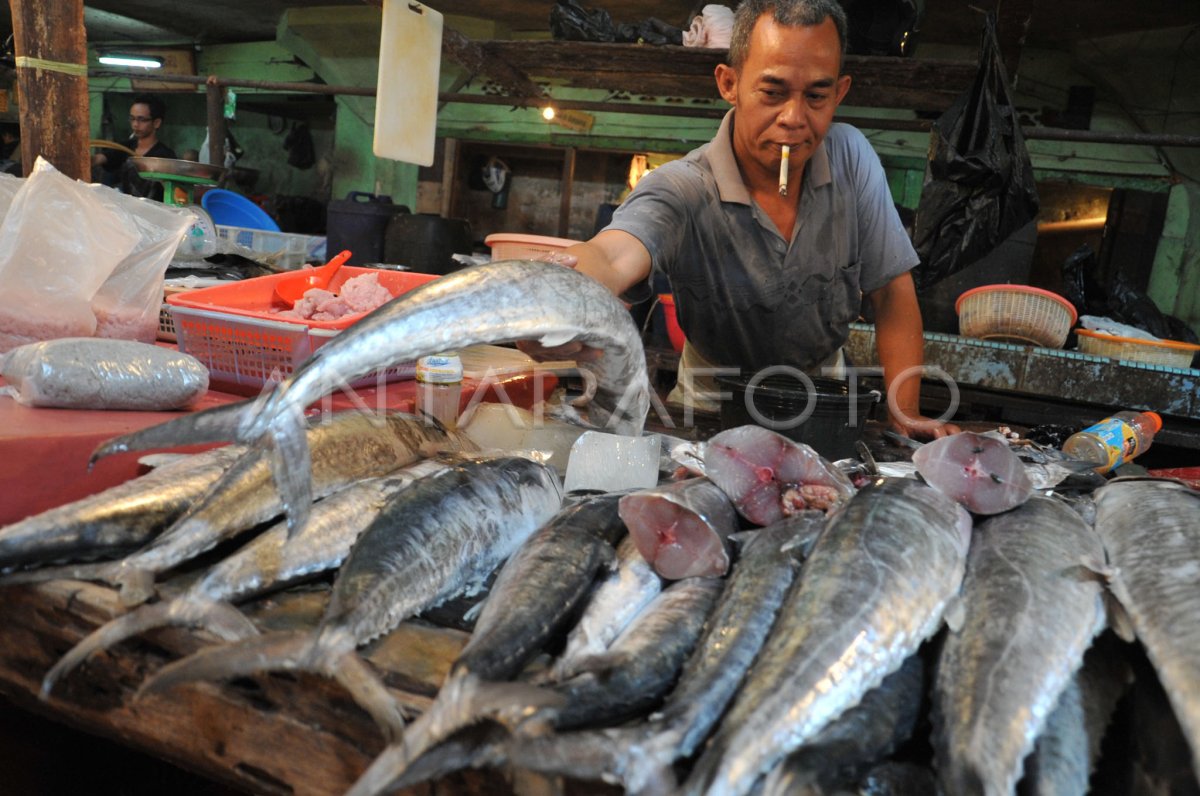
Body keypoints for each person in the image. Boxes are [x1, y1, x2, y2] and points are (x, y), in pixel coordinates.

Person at [524, 0, 958, 438]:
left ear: (840, 92)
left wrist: (905, 416)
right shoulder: (685, 186)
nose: (794, 118)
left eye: (816, 96)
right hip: (708, 414)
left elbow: (892, 295)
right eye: (772, 92)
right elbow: (612, 255)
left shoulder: (851, 159)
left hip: (822, 409)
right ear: (729, 83)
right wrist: (561, 296)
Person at [92, 94, 177, 200]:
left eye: (141, 120)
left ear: (156, 123)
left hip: (154, 212)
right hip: (128, 211)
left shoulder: (165, 156)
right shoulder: (125, 148)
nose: (135, 124)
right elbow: (101, 158)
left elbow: (174, 191)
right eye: (132, 119)